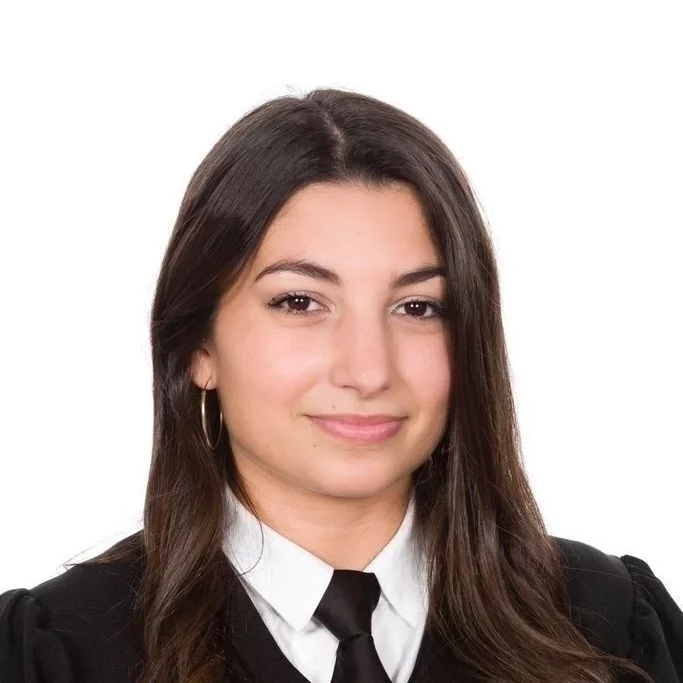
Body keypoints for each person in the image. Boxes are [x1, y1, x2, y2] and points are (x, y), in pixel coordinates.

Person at [1, 88, 681, 683]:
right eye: (300, 302)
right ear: (198, 346)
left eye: (418, 307)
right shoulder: (57, 652)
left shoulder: (606, 627)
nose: (368, 370)